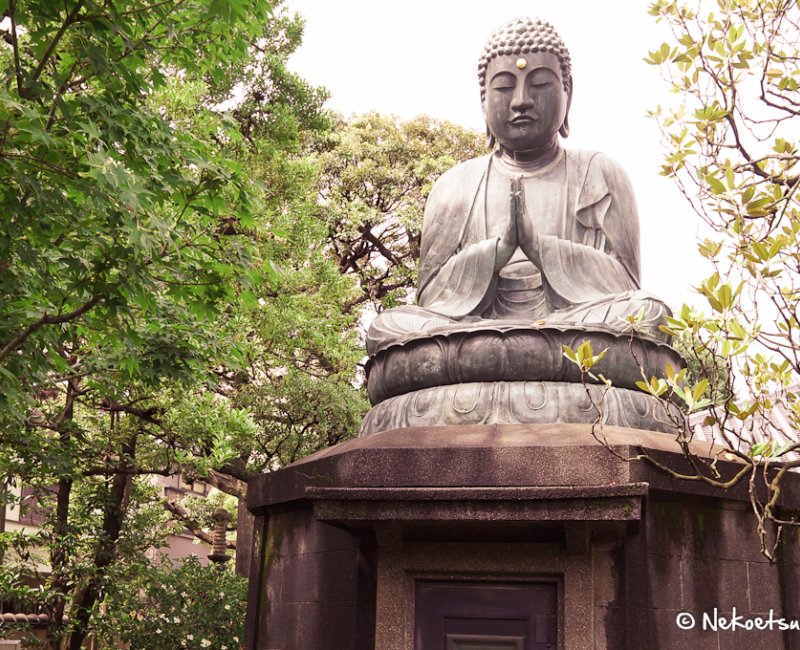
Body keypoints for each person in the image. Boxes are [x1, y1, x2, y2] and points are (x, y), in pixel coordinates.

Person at [366, 17, 670, 356]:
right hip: (475, 329)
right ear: (484, 99)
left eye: (539, 84)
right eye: (504, 87)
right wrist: (496, 252)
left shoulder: (599, 173)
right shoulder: (454, 185)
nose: (522, 100)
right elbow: (433, 299)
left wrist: (540, 248)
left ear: (567, 91)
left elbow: (625, 285)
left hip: (575, 324)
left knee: (649, 314)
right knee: (390, 328)